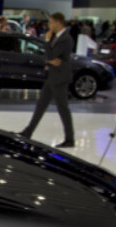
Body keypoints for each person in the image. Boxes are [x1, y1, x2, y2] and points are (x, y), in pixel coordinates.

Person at [18, 12, 75, 148]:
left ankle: (70, 139)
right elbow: (49, 57)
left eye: (51, 22)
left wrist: (47, 42)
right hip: (53, 76)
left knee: (63, 108)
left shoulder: (66, 39)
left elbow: (52, 55)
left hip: (60, 78)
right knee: (41, 105)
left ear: (58, 22)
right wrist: (50, 58)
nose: (49, 25)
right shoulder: (56, 37)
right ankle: (28, 131)